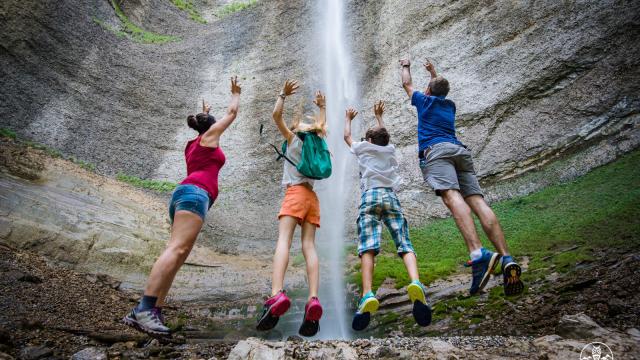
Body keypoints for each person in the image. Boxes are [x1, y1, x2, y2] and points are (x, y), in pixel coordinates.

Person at [123, 76, 241, 336]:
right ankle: (143, 309)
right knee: (176, 250)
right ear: (210, 128)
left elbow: (205, 126)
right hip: (194, 195)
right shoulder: (208, 138)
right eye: (212, 123)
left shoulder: (194, 143)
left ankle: (154, 311)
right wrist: (235, 93)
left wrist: (206, 114)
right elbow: (232, 113)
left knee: (178, 254)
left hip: (185, 195)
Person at [399, 58, 524, 296]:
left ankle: (478, 253)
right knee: (477, 201)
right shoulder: (449, 106)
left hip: (436, 152)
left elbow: (407, 85)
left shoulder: (424, 101)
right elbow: (439, 89)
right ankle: (507, 258)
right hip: (460, 152)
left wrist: (405, 65)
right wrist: (433, 73)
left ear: (427, 91)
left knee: (451, 196)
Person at [343, 101, 431, 331]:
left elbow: (346, 138)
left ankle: (367, 294)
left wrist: (348, 119)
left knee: (367, 248)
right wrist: (380, 118)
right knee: (404, 243)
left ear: (369, 140)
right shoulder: (389, 149)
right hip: (390, 196)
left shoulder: (363, 147)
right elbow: (386, 138)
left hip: (370, 196)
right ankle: (415, 282)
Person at [256, 80, 326, 337]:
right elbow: (322, 126)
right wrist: (323, 107)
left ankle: (276, 293)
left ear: (297, 129)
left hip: (294, 194)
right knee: (309, 247)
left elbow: (276, 116)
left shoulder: (294, 140)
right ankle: (314, 299)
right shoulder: (318, 142)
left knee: (284, 241)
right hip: (312, 198)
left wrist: (282, 95)